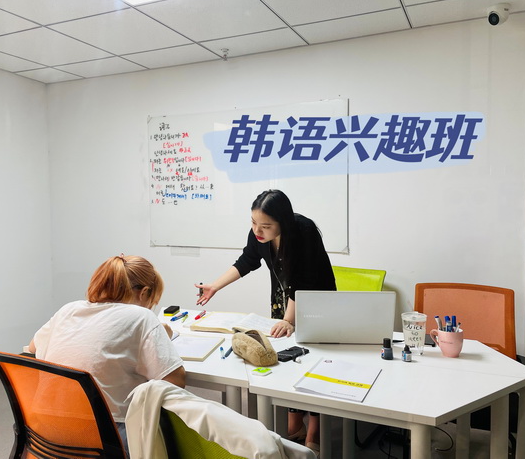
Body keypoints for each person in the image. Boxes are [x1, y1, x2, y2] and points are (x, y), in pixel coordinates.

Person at [195, 189, 335, 454]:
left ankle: (315, 428)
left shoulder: (304, 232)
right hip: (284, 300)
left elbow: (304, 282)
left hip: (315, 302)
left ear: (283, 222)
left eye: (266, 226)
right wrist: (215, 286)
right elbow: (247, 260)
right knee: (289, 357)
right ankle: (295, 422)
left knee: (313, 362)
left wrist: (289, 320)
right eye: (253, 222)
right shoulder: (258, 232)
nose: (257, 230)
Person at [28, 254, 185, 457]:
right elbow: (175, 381)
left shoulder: (69, 309)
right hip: (104, 438)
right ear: (144, 293)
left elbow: (32, 347)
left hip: (44, 433)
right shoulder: (142, 316)